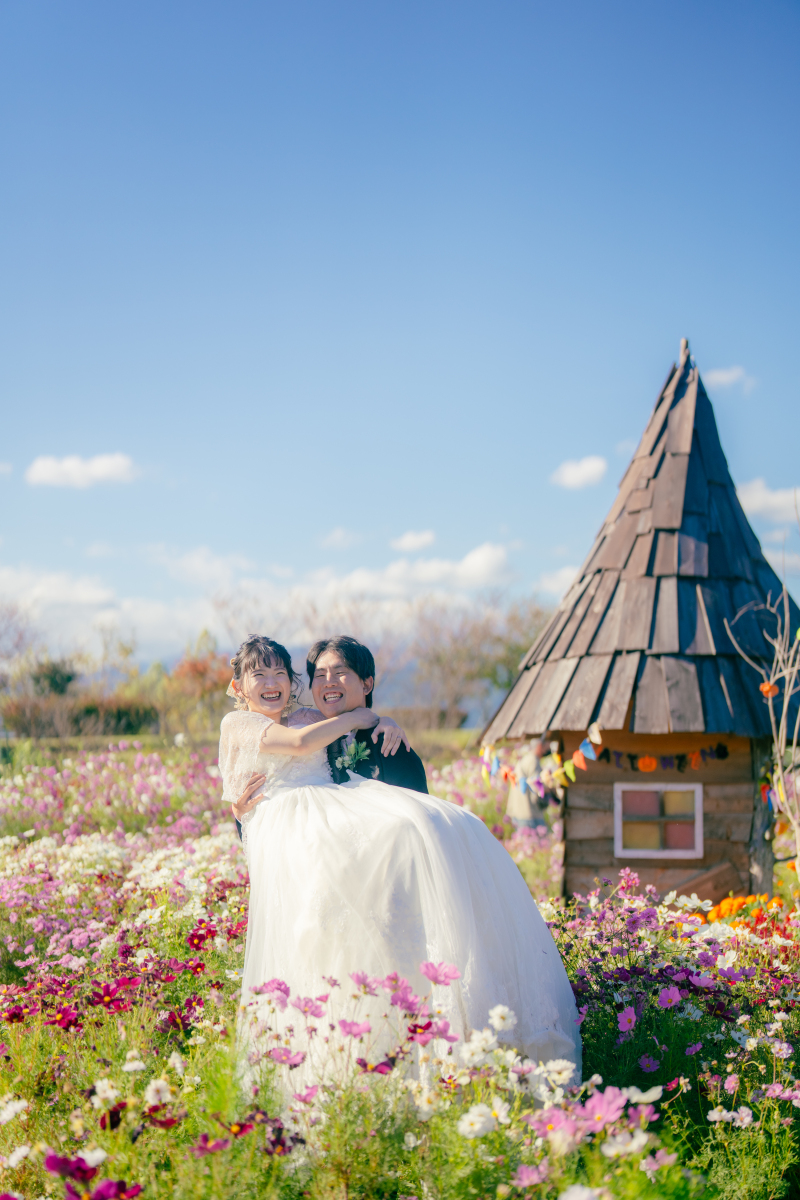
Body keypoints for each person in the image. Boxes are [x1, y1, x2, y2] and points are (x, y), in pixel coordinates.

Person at [223, 634, 581, 1079]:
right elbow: (293, 753)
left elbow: (336, 728)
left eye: (282, 673)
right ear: (239, 687)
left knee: (428, 822)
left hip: (337, 819)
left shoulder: (311, 716)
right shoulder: (241, 725)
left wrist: (379, 719)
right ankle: (331, 1056)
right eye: (261, 674)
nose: (274, 682)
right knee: (318, 937)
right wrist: (362, 713)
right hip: (290, 831)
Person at [306, 635, 428, 793]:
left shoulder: (389, 744)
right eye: (320, 675)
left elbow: (418, 809)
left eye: (340, 672)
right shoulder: (308, 741)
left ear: (366, 684)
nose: (329, 681)